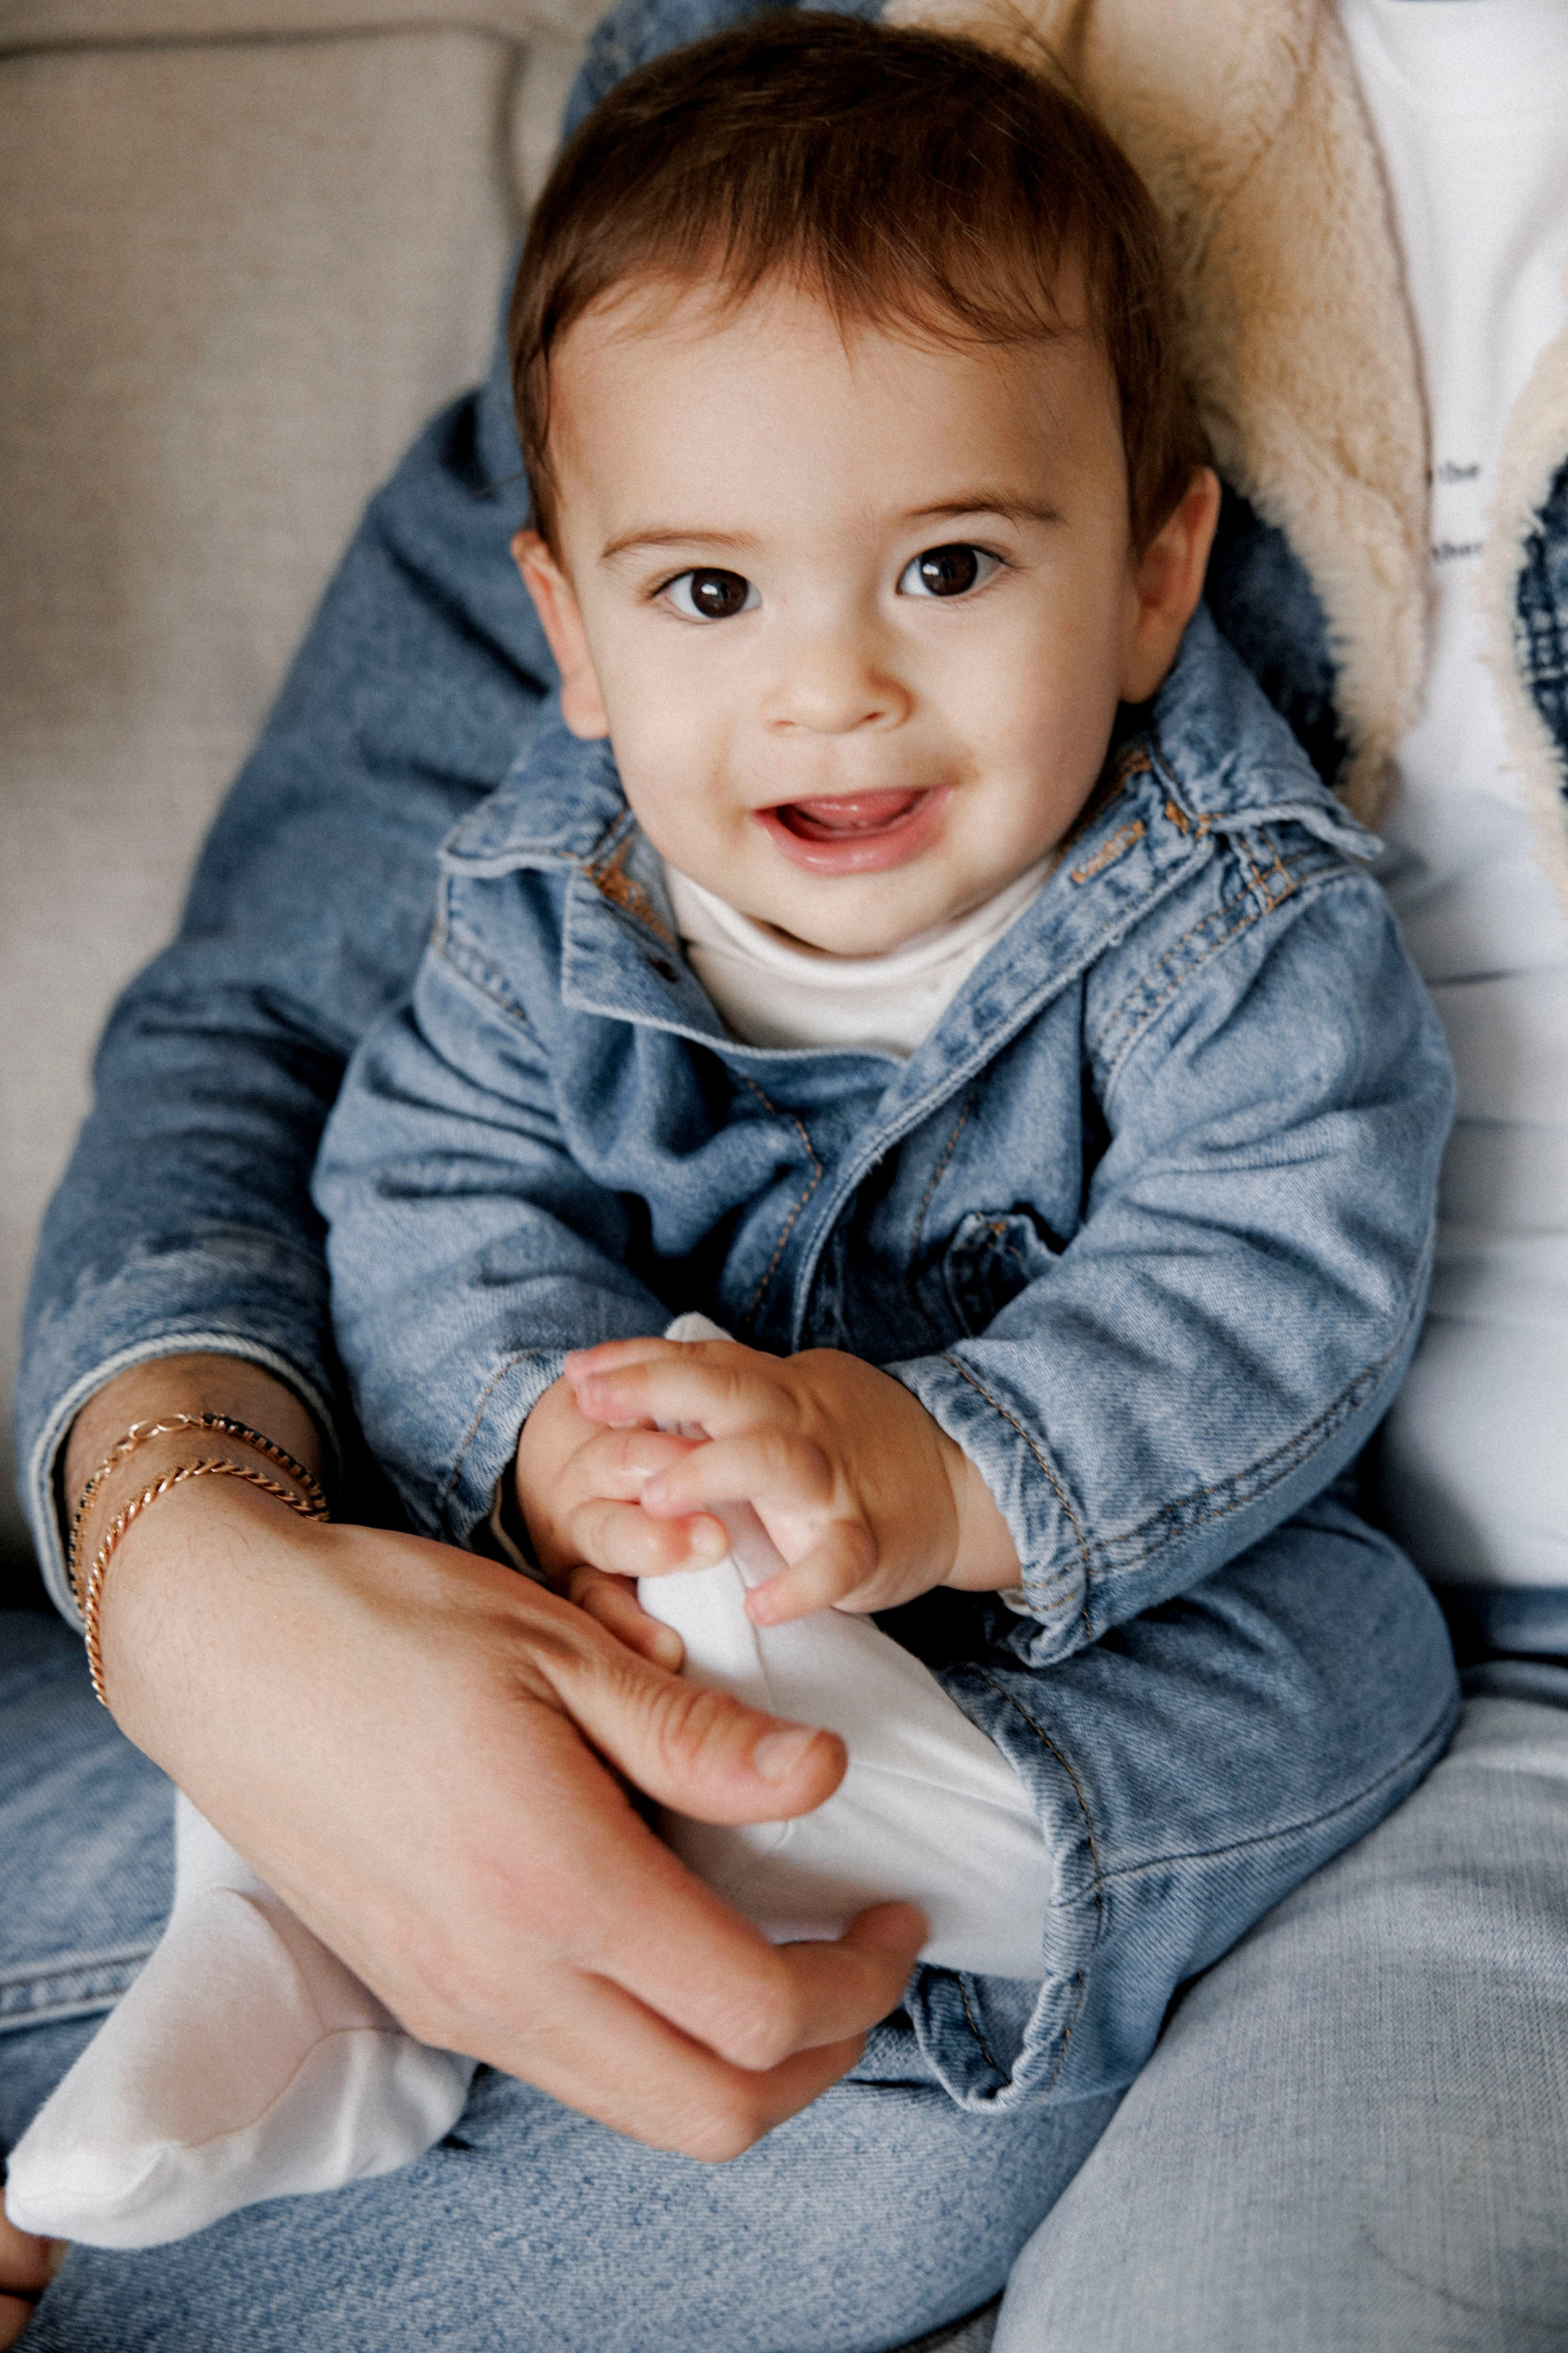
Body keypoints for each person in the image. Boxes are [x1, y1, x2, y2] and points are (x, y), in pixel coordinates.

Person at [2, 0, 1564, 2343]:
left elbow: (1277, 1263)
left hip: (1087, 1594)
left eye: (947, 569)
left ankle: (886, 1843)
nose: (831, 685)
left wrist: (941, 1466)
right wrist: (538, 1440)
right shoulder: (549, 898)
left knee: (1339, 1671)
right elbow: (404, 1169)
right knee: (399, 1740)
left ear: (1158, 581)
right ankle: (288, 1925)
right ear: (578, 639)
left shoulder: (1228, 915)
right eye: (716, 599)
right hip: (612, 1579)